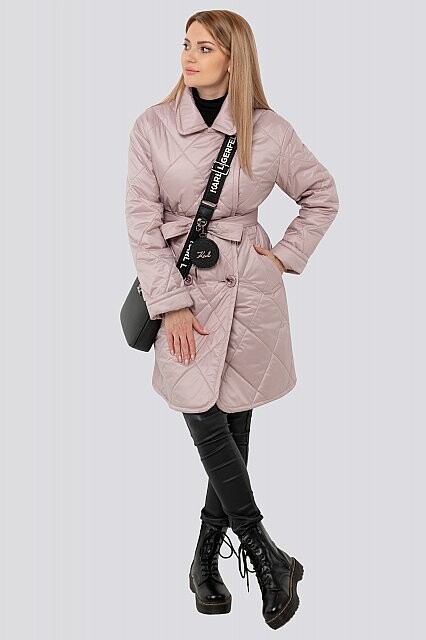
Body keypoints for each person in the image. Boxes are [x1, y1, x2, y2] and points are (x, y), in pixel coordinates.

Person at [124, 9, 339, 630]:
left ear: (233, 58)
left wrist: (285, 256)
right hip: (184, 291)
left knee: (233, 418)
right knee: (204, 417)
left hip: (249, 293)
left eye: (205, 47)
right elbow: (141, 222)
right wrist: (171, 303)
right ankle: (263, 551)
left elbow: (321, 194)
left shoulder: (269, 131)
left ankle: (203, 561)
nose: (189, 57)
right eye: (186, 44)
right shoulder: (152, 126)